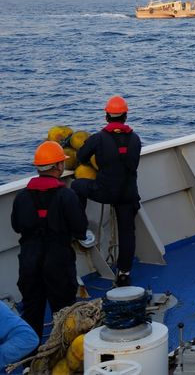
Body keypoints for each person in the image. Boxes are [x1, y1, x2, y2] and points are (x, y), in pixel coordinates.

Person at [11, 141, 88, 340]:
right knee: (63, 314)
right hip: (58, 262)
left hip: (29, 260)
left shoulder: (21, 197)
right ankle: (61, 355)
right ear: (58, 166)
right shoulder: (67, 196)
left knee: (32, 311)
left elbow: (17, 226)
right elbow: (80, 230)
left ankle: (31, 360)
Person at [72, 95, 141, 287]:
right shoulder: (135, 139)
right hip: (128, 194)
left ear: (106, 117)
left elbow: (81, 156)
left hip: (105, 191)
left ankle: (81, 230)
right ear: (125, 116)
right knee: (127, 232)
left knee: (77, 186)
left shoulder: (98, 139)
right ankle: (124, 272)